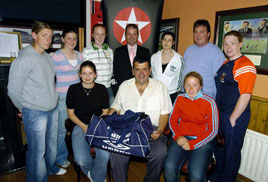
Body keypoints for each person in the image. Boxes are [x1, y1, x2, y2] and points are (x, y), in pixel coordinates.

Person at [7, 21, 66, 182]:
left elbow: (50, 82)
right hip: (35, 111)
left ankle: (51, 168)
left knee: (51, 146)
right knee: (37, 152)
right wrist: (23, 108)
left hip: (52, 108)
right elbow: (13, 89)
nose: (48, 39)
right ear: (34, 35)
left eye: (50, 36)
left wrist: (53, 98)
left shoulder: (47, 57)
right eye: (44, 35)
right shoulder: (25, 58)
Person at [108, 56, 172, 182]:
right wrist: (104, 120)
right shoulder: (125, 86)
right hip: (127, 130)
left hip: (151, 130)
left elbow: (165, 114)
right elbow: (116, 107)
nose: (141, 73)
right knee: (116, 153)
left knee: (160, 153)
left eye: (144, 69)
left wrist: (159, 130)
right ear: (133, 71)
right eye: (138, 69)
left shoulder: (160, 87)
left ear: (150, 70)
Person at [210, 30, 256, 182]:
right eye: (225, 43)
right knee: (220, 150)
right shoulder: (226, 63)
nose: (228, 47)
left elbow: (246, 95)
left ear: (240, 44)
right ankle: (217, 177)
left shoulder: (246, 65)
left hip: (234, 116)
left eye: (233, 43)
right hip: (220, 114)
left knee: (232, 153)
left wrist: (233, 118)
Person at [164, 71, 219, 182]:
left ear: (200, 87)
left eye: (195, 85)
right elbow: (173, 120)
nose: (191, 89)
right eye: (188, 85)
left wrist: (193, 144)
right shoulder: (180, 98)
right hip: (182, 137)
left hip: (202, 140)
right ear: (184, 86)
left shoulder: (209, 102)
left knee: (196, 176)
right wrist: (178, 136)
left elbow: (213, 130)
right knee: (169, 167)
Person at [66, 61, 110, 182]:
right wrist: (83, 126)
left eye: (90, 73)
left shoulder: (101, 89)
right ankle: (95, 174)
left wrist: (94, 125)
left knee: (105, 155)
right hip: (80, 126)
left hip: (97, 126)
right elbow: (70, 114)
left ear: (95, 74)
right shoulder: (73, 89)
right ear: (79, 75)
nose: (87, 77)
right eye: (84, 73)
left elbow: (105, 111)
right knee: (81, 160)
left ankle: (96, 177)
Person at [52, 29, 84, 169]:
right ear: (63, 39)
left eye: (74, 39)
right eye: (69, 38)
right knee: (61, 132)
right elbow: (49, 78)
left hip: (77, 98)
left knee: (78, 127)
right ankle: (60, 157)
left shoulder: (80, 55)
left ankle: (80, 155)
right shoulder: (56, 56)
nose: (72, 41)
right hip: (62, 99)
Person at [183, 19, 225, 99]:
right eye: (195, 32)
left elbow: (220, 80)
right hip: (187, 94)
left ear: (208, 34)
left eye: (202, 32)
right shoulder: (188, 50)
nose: (198, 35)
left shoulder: (216, 53)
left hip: (205, 97)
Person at [112, 23, 150, 95]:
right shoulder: (118, 51)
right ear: (125, 35)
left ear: (138, 35)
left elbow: (148, 71)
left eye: (134, 34)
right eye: (129, 34)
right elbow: (115, 71)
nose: (131, 37)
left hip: (141, 90)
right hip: (124, 89)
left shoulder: (145, 51)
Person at [82, 24, 114, 105]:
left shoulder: (110, 51)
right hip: (93, 88)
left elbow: (111, 69)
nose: (100, 37)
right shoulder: (86, 51)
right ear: (93, 35)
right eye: (97, 34)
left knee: (111, 113)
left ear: (105, 35)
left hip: (108, 88)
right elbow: (84, 72)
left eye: (102, 34)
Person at [151, 31, 184, 103]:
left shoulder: (179, 59)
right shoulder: (154, 57)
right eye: (164, 40)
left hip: (171, 94)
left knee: (169, 114)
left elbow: (180, 78)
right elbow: (152, 75)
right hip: (155, 93)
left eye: (169, 40)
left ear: (173, 43)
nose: (166, 42)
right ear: (161, 41)